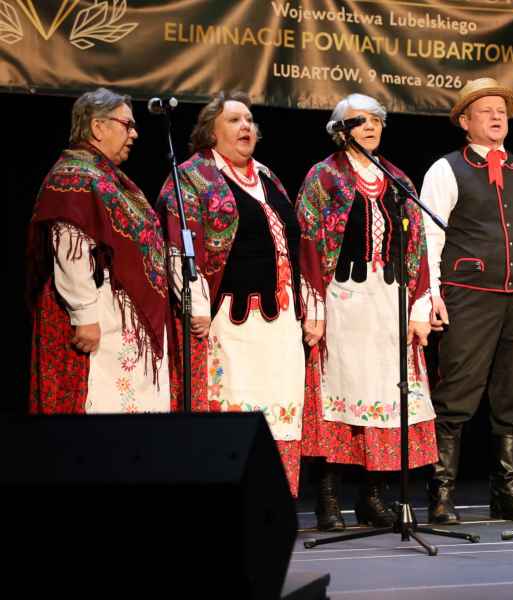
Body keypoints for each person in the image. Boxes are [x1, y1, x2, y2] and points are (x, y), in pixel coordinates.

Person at [420, 78, 513, 524]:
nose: (497, 116)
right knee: (457, 393)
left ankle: (507, 492)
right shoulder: (446, 169)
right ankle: (441, 493)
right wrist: (431, 294)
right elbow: (429, 237)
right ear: (465, 121)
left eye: (501, 110)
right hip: (469, 296)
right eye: (485, 110)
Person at [296, 94, 437, 531]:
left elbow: (417, 247)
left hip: (389, 302)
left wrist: (419, 305)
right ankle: (328, 498)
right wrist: (313, 308)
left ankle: (373, 496)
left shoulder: (397, 179)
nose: (371, 126)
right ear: (341, 131)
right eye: (360, 121)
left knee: (387, 397)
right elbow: (308, 244)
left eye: (376, 119)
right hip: (343, 301)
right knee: (340, 395)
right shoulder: (324, 177)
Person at [158, 91, 305, 496]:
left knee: (280, 408)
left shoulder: (267, 176)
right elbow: (179, 243)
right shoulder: (191, 177)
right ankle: (228, 499)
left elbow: (295, 243)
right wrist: (194, 302)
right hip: (228, 321)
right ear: (211, 131)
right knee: (235, 405)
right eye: (235, 120)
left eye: (250, 121)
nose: (246, 127)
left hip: (280, 322)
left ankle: (273, 499)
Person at [28, 88, 171, 414]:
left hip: (118, 319)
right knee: (100, 410)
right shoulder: (74, 177)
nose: (134, 134)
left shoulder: (107, 177)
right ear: (97, 127)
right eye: (127, 125)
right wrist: (84, 316)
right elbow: (71, 249)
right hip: (97, 316)